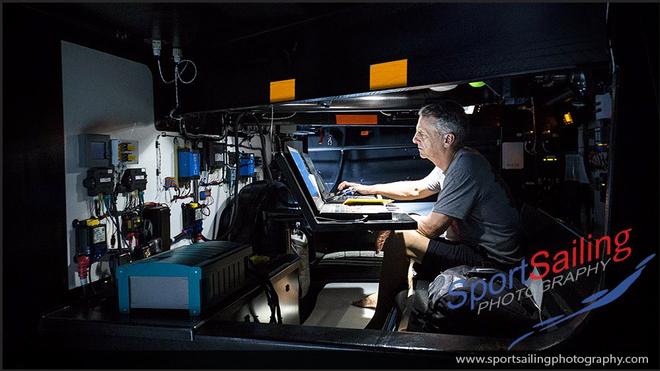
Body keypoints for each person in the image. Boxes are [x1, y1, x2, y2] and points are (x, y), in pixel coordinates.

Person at [338, 101, 521, 329]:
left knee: (401, 238)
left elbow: (432, 228)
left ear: (447, 139)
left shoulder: (465, 166)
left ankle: (378, 322)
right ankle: (393, 293)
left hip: (491, 264)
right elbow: (416, 189)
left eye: (422, 134)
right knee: (405, 230)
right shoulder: (453, 162)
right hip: (473, 249)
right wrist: (369, 189)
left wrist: (391, 227)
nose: (415, 140)